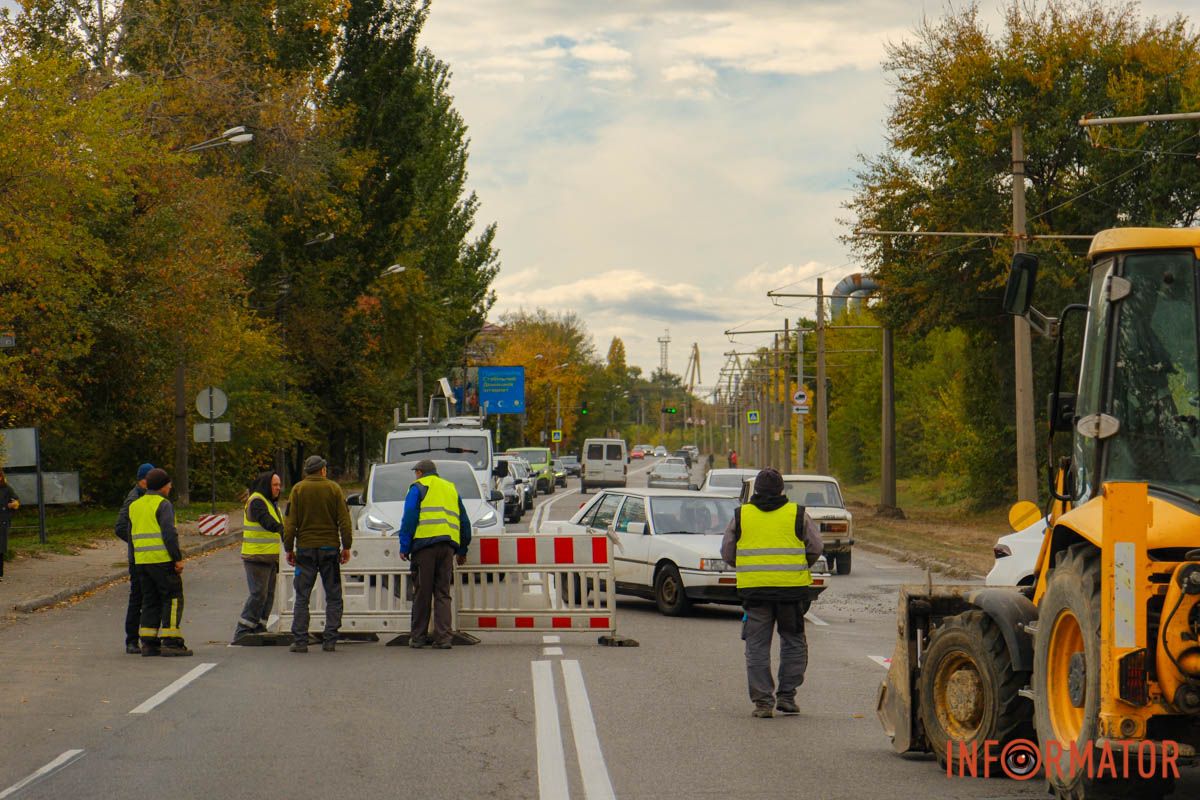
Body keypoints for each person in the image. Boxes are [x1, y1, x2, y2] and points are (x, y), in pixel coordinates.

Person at [721, 467, 822, 718]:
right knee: (793, 642)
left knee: (756, 646)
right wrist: (798, 565)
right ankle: (787, 697)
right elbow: (815, 547)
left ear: (755, 490)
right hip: (790, 592)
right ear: (781, 490)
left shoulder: (741, 515)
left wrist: (747, 566)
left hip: (755, 592)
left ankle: (763, 702)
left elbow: (727, 552)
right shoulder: (798, 514)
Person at [398, 459, 472, 649]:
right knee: (442, 592)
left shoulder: (418, 487)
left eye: (416, 472)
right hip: (447, 547)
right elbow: (464, 521)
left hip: (424, 547)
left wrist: (404, 546)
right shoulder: (450, 488)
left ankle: (418, 637)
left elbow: (409, 517)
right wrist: (462, 549)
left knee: (422, 592)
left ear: (420, 472)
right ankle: (444, 638)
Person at [282, 455, 352, 653]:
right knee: (333, 596)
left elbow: (290, 523)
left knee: (302, 596)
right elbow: (344, 521)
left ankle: (301, 641)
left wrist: (289, 548)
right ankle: (330, 639)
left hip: (305, 550)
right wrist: (346, 545)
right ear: (322, 470)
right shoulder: (333, 489)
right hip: (329, 549)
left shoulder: (298, 489)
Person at [130, 468, 192, 657]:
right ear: (162, 486)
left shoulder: (135, 505)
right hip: (162, 560)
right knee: (172, 598)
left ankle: (148, 643)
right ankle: (171, 641)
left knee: (150, 600)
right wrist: (177, 558)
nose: (171, 486)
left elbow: (130, 535)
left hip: (141, 562)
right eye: (169, 484)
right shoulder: (163, 505)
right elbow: (169, 534)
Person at [233, 471, 284, 643]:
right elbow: (267, 522)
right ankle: (243, 629)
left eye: (279, 485)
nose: (279, 488)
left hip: (269, 557)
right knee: (258, 594)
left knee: (268, 595)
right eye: (275, 485)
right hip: (256, 556)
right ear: (266, 485)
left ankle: (259, 626)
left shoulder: (270, 502)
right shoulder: (257, 502)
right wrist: (285, 530)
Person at [114, 463, 155, 653]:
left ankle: (147, 638)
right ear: (144, 480)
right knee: (137, 598)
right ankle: (131, 639)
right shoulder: (134, 499)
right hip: (138, 558)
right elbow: (120, 527)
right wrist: (136, 542)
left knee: (146, 597)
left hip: (146, 556)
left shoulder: (146, 496)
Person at [0, 470, 19, 582]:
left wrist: (13, 504)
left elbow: (16, 500)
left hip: (2, 521)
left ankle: (0, 573)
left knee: (0, 548)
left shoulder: (6, 489)